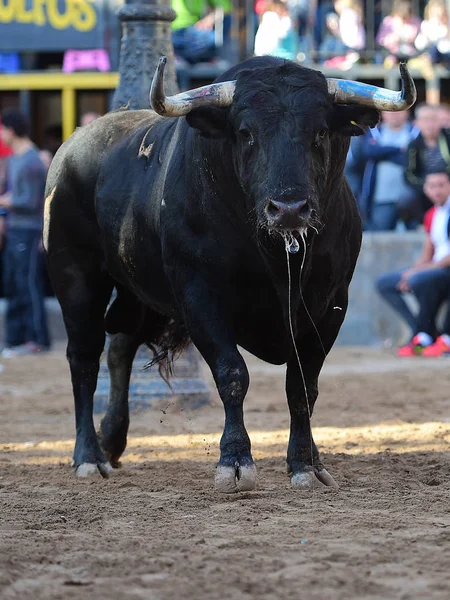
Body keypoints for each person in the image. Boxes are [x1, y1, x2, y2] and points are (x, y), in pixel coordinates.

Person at [376, 170, 450, 357]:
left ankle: (424, 335)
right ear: (425, 189)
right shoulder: (432, 214)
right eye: (432, 186)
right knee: (385, 283)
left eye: (441, 185)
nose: (437, 190)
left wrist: (418, 273)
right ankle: (421, 331)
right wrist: (412, 271)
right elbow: (427, 252)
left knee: (419, 280)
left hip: (444, 270)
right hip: (433, 270)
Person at [0, 110, 50, 357]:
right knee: (14, 284)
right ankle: (17, 339)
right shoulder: (15, 159)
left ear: (10, 130)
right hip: (15, 230)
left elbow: (29, 201)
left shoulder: (31, 160)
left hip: (28, 232)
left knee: (28, 285)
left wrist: (6, 202)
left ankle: (36, 338)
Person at [359, 109, 420, 231]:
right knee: (380, 236)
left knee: (413, 237)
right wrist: (399, 149)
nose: (394, 115)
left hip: (410, 197)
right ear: (383, 114)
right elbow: (369, 151)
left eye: (398, 111)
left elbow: (410, 158)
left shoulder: (416, 131)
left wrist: (383, 153)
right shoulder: (375, 131)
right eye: (390, 111)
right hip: (381, 196)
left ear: (407, 112)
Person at [405, 103, 450, 219]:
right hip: (425, 185)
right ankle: (423, 223)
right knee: (407, 198)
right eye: (425, 120)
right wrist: (425, 185)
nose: (430, 124)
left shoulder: (448, 137)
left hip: (448, 181)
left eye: (433, 119)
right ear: (417, 123)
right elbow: (409, 174)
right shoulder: (413, 145)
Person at [171, 0, 231, 65]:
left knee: (226, 21)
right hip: (176, 31)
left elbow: (225, 7)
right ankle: (185, 56)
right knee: (212, 38)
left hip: (195, 29)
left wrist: (210, 18)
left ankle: (189, 56)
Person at [321, 0, 366, 70]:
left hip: (351, 46)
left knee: (329, 44)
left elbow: (347, 35)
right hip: (355, 46)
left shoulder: (347, 13)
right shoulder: (353, 12)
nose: (336, 6)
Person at [376, 0, 422, 67]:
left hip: (410, 54)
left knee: (416, 63)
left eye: (406, 17)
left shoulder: (416, 21)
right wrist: (392, 40)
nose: (404, 20)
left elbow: (419, 38)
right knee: (389, 62)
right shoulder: (388, 21)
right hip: (392, 53)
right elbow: (380, 40)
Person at [415, 0, 450, 67]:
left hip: (447, 54)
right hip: (434, 54)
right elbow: (419, 44)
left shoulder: (447, 25)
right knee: (432, 49)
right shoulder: (427, 25)